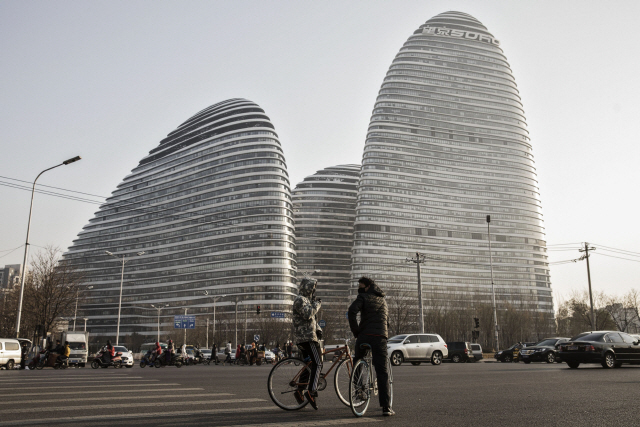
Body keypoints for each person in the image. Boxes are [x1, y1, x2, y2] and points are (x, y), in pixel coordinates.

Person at [348, 276, 394, 416]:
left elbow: (351, 312)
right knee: (382, 372)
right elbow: (387, 321)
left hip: (364, 336)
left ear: (367, 287)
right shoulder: (383, 301)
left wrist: (356, 331)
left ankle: (358, 391)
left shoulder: (363, 297)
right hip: (380, 337)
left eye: (361, 286)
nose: (359, 288)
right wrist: (384, 333)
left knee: (358, 361)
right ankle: (386, 407)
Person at [292, 277, 323, 410]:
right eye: (313, 287)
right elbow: (308, 314)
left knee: (310, 364)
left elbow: (313, 321)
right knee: (318, 362)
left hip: (310, 335)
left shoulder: (307, 300)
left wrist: (319, 330)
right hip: (307, 337)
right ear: (307, 288)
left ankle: (300, 390)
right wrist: (317, 305)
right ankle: (312, 390)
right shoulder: (300, 300)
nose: (314, 290)